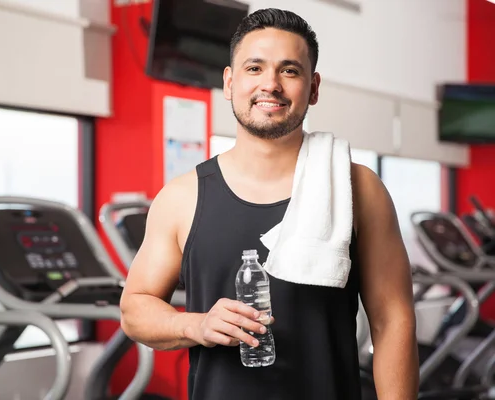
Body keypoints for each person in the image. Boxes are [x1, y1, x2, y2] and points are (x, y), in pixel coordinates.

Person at [119, 8, 419, 400]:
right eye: (254, 68)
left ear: (313, 88)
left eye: (289, 71)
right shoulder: (182, 196)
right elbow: (134, 308)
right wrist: (196, 325)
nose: (271, 85)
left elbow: (393, 321)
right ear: (229, 82)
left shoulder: (358, 187)